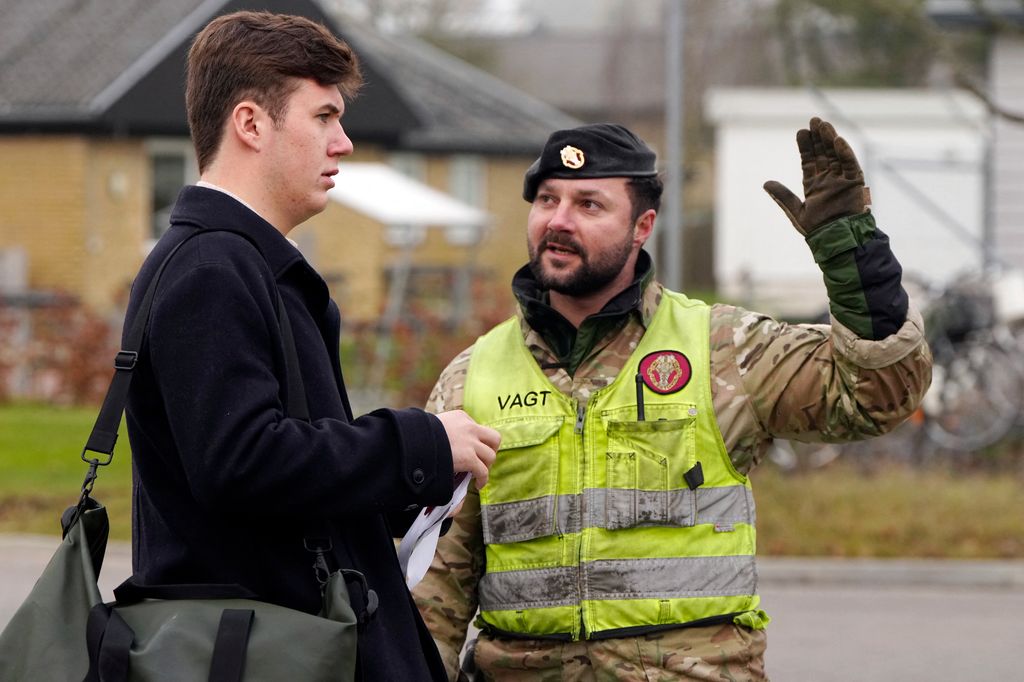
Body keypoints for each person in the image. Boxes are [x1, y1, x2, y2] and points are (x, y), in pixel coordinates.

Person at [413, 120, 931, 680]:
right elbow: (435, 583)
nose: (557, 221)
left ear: (643, 227)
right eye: (546, 200)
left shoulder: (723, 349)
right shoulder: (472, 378)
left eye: (589, 204)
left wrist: (848, 247)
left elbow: (875, 395)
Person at [122, 11, 499, 681]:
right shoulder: (213, 269)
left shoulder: (241, 262)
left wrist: (411, 488)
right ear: (250, 124)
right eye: (323, 116)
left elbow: (286, 480)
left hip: (269, 644)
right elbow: (240, 460)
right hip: (259, 653)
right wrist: (414, 444)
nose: (345, 143)